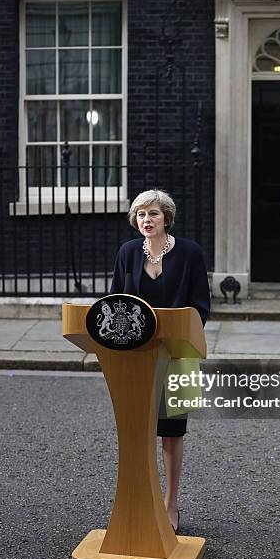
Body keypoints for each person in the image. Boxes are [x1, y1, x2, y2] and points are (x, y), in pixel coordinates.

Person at [110, 189, 210, 534]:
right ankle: (140, 501)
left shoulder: (190, 254)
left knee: (170, 433)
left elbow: (201, 307)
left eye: (152, 213)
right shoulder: (126, 253)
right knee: (137, 433)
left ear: (166, 217)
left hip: (178, 354)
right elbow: (115, 304)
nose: (146, 220)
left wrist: (173, 331)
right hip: (135, 357)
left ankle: (170, 503)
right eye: (140, 215)